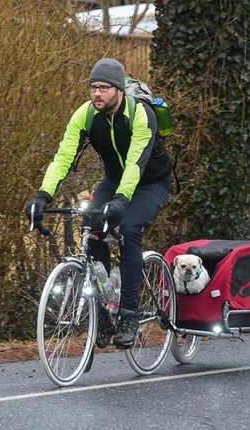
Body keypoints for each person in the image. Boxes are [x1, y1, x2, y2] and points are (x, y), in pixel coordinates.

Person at [25, 58, 172, 348]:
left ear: (119, 90)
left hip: (150, 182)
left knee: (129, 229)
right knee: (92, 226)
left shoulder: (141, 114)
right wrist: (42, 195)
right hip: (115, 181)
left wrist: (121, 201)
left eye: (104, 87)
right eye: (93, 88)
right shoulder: (86, 115)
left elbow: (135, 163)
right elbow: (63, 156)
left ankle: (129, 314)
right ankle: (104, 312)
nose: (97, 94)